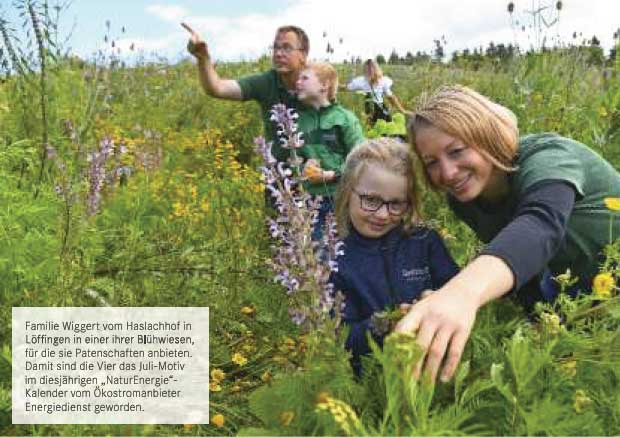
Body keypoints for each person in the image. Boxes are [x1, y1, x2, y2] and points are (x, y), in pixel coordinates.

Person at [396, 84, 620, 383]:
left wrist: (462, 294)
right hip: (583, 284)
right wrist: (443, 300)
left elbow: (539, 226)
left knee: (616, 379)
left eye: (457, 151)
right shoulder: (463, 199)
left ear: (485, 135)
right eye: (431, 163)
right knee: (556, 374)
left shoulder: (546, 157)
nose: (447, 173)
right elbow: (522, 261)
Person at [330, 137, 459, 373]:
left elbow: (458, 290)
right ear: (348, 192)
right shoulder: (334, 257)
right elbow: (339, 338)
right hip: (370, 377)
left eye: (396, 204)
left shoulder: (425, 241)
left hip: (431, 366)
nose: (382, 215)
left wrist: (438, 299)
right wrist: (384, 324)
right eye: (371, 200)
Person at [181, 22, 308, 161]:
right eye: (276, 48)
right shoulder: (267, 82)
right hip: (279, 178)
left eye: (287, 48)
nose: (278, 54)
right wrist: (202, 57)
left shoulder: (320, 81)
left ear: (303, 54)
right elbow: (216, 88)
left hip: (320, 176)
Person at [293, 62, 365, 238]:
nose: (297, 82)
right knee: (317, 252)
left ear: (324, 85)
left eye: (305, 78)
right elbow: (293, 159)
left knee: (344, 247)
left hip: (341, 199)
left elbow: (363, 159)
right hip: (309, 201)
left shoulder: (344, 119)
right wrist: (302, 165)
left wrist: (330, 175)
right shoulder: (298, 121)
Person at [345, 59, 406, 125]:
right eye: (367, 70)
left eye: (371, 69)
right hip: (371, 110)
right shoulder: (362, 81)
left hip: (377, 110)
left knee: (381, 130)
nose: (369, 71)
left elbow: (391, 97)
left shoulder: (381, 81)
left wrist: (402, 110)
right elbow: (347, 88)